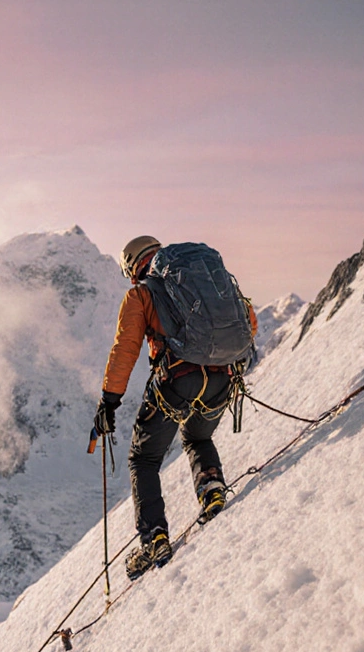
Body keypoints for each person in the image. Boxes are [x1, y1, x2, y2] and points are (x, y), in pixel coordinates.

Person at [94, 235, 257, 580]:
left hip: (177, 380)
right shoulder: (203, 280)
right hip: (222, 378)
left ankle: (154, 536)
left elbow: (126, 349)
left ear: (133, 268)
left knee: (144, 458)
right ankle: (211, 488)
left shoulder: (141, 294)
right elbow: (249, 323)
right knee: (197, 438)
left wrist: (109, 402)